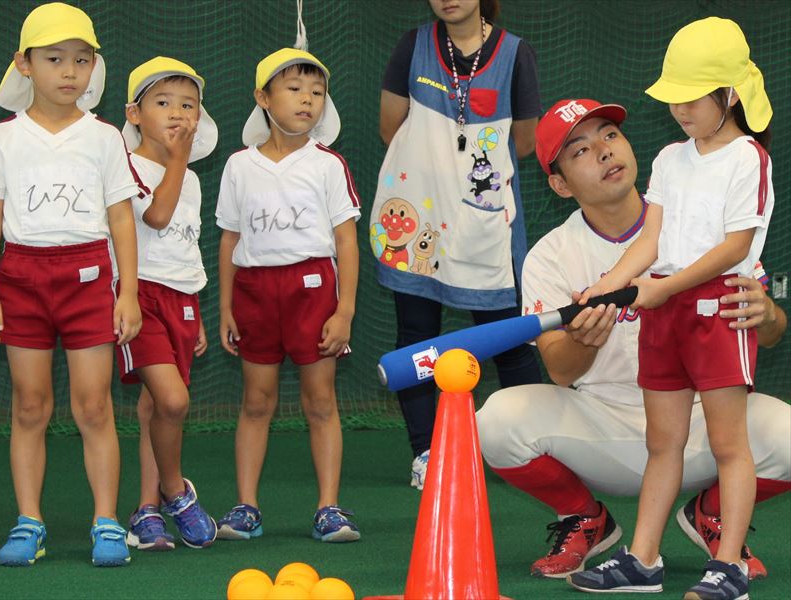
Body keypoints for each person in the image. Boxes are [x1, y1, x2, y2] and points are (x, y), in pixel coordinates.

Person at [475, 97, 789, 588]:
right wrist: (586, 340)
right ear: (560, 185)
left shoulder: (700, 222)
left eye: (610, 135)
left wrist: (767, 314)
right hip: (603, 426)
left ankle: (713, 513)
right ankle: (585, 518)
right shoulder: (550, 256)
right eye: (580, 150)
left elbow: (771, 333)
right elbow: (560, 371)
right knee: (495, 421)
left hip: (704, 424)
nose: (604, 151)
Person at [567, 19, 775, 599]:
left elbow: (735, 246)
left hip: (720, 307)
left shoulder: (748, 159)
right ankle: (643, 560)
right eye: (674, 96)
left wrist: (666, 288)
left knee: (730, 446)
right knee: (663, 444)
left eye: (693, 96)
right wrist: (608, 284)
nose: (680, 108)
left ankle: (729, 567)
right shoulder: (668, 158)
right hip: (664, 312)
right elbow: (651, 239)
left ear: (729, 94)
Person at [0, 3, 142, 567]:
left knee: (94, 406)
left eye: (81, 60)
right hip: (21, 279)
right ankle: (29, 522)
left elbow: (121, 216)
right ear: (24, 64)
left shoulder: (103, 137)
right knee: (29, 406)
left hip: (88, 280)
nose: (69, 72)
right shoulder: (2, 139)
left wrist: (128, 292)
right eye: (54, 59)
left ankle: (106, 522)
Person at [370, 0, 543, 491]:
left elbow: (523, 143)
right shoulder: (413, 46)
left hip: (482, 224)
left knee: (508, 340)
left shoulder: (515, 53)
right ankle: (426, 453)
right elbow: (389, 128)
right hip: (417, 219)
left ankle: (535, 449)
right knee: (417, 340)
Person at [215, 48, 361, 543]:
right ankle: (246, 508)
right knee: (256, 402)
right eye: (295, 89)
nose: (307, 100)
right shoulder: (239, 166)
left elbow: (346, 241)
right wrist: (225, 307)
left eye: (317, 92)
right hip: (255, 293)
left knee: (320, 401)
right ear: (263, 98)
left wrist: (345, 311)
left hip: (313, 290)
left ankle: (329, 509)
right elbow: (230, 240)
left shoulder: (328, 165)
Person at [117, 57, 219, 551]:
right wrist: (178, 160)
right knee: (173, 401)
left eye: (188, 105)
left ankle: (146, 511)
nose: (178, 113)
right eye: (163, 103)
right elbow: (157, 216)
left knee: (154, 407)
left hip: (181, 299)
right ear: (135, 114)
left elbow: (184, 244)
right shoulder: (125, 166)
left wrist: (195, 313)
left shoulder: (192, 181)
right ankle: (176, 492)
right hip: (139, 296)